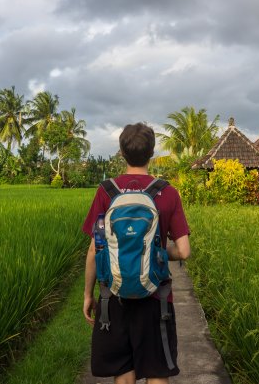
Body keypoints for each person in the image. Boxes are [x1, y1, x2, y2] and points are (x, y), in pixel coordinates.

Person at [82, 122, 191, 384]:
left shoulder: (106, 191)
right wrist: (155, 248)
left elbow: (94, 249)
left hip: (114, 294)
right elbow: (184, 251)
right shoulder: (167, 192)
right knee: (157, 371)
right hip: (156, 298)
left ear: (121, 153)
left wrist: (87, 294)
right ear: (152, 153)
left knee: (124, 369)